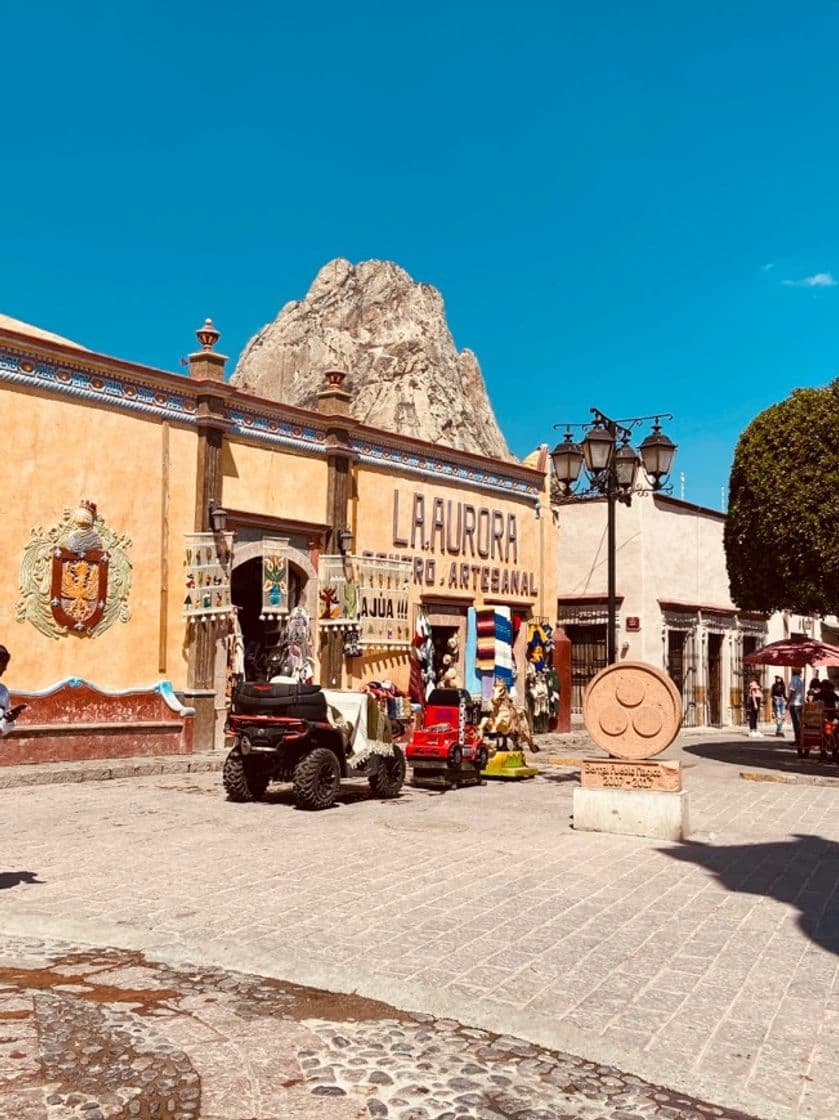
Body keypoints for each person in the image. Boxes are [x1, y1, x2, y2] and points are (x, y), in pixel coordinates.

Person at [0, 645, 25, 738]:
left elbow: (3, 729)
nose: (5, 668)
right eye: (2, 662)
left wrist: (8, 720)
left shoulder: (3, 691)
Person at [787, 669, 804, 743]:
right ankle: (799, 738)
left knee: (796, 723)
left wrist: (787, 702)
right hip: (800, 703)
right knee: (799, 722)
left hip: (795, 704)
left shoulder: (794, 680)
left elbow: (792, 692)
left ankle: (798, 739)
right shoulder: (800, 680)